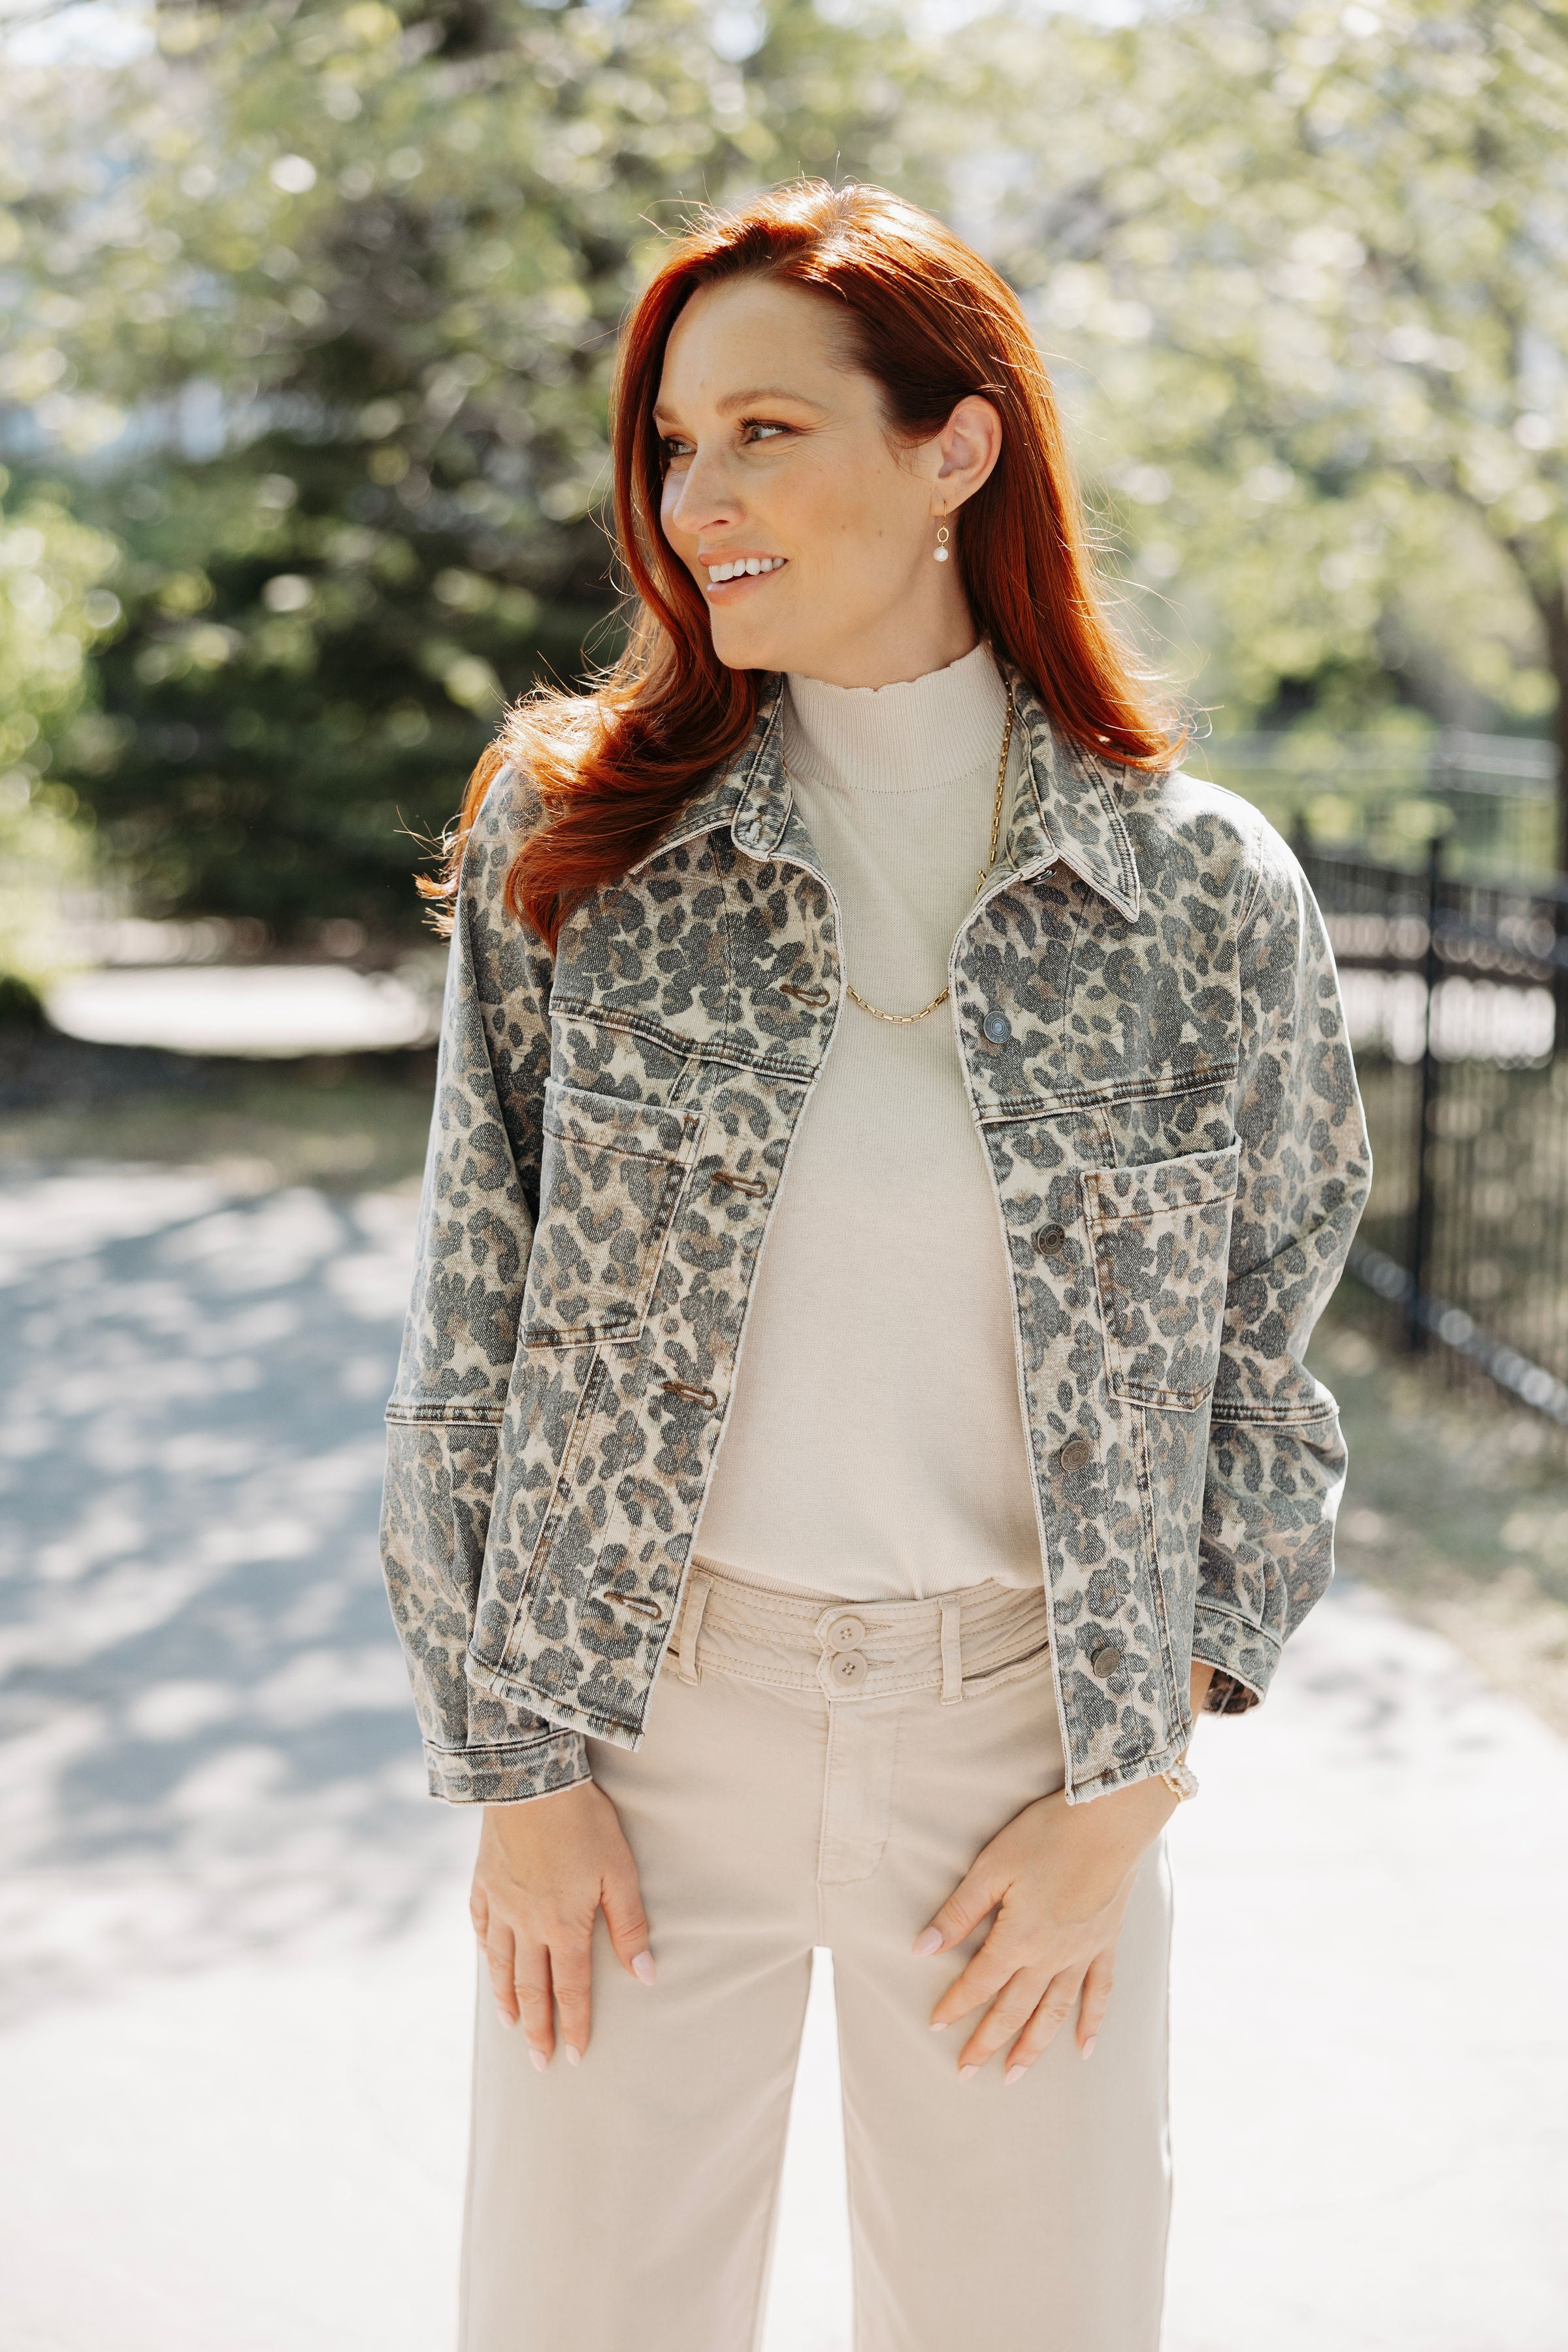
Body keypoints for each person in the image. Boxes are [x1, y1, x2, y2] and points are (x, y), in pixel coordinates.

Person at [380, 179, 1370, 2352]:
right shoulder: (582, 847)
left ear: (955, 449)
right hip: (640, 1738)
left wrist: (1132, 1795)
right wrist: (515, 1774)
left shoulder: (1203, 893)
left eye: (765, 433)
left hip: (1031, 1760)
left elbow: (1265, 1384)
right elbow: (472, 1327)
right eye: (674, 445)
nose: (696, 501)